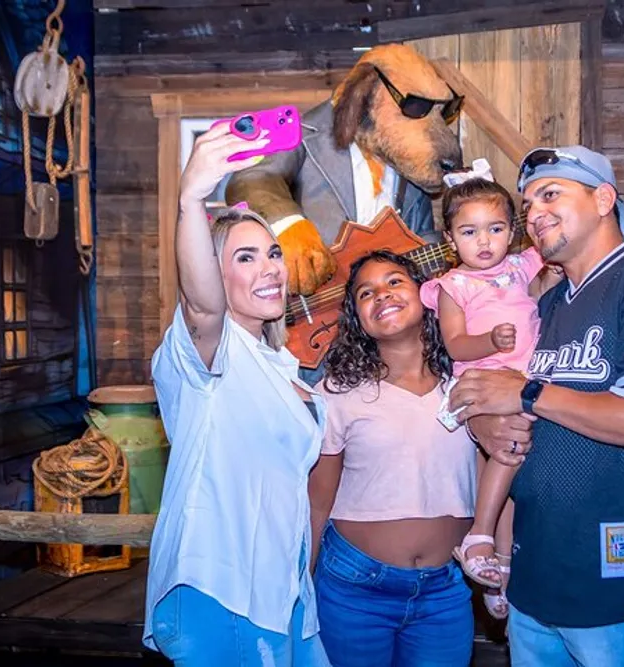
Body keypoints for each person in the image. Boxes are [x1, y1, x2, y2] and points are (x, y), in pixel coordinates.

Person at [449, 145, 624, 666]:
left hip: (616, 581)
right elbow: (499, 403)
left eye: (551, 194)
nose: (534, 213)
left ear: (604, 198)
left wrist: (526, 391)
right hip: (535, 574)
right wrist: (485, 424)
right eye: (527, 205)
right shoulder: (545, 304)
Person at [144, 122, 329, 666]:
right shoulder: (207, 353)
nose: (270, 268)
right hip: (218, 591)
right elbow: (202, 306)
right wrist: (191, 199)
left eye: (272, 253)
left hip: (283, 592)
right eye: (245, 258)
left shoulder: (283, 364)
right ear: (213, 273)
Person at [308, 251, 478, 667]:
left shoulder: (471, 384)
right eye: (366, 292)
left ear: (428, 295)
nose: (381, 294)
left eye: (395, 282)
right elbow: (316, 501)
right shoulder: (338, 392)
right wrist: (300, 585)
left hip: (446, 591)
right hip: (354, 588)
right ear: (359, 319)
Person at [418, 159, 560, 619]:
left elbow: (554, 246)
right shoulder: (452, 286)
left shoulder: (519, 267)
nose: (484, 242)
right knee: (509, 449)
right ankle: (478, 535)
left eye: (496, 229)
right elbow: (455, 342)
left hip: (524, 381)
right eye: (470, 232)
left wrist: (552, 275)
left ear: (511, 233)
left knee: (510, 478)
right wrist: (490, 341)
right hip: (479, 380)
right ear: (449, 240)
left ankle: (499, 573)